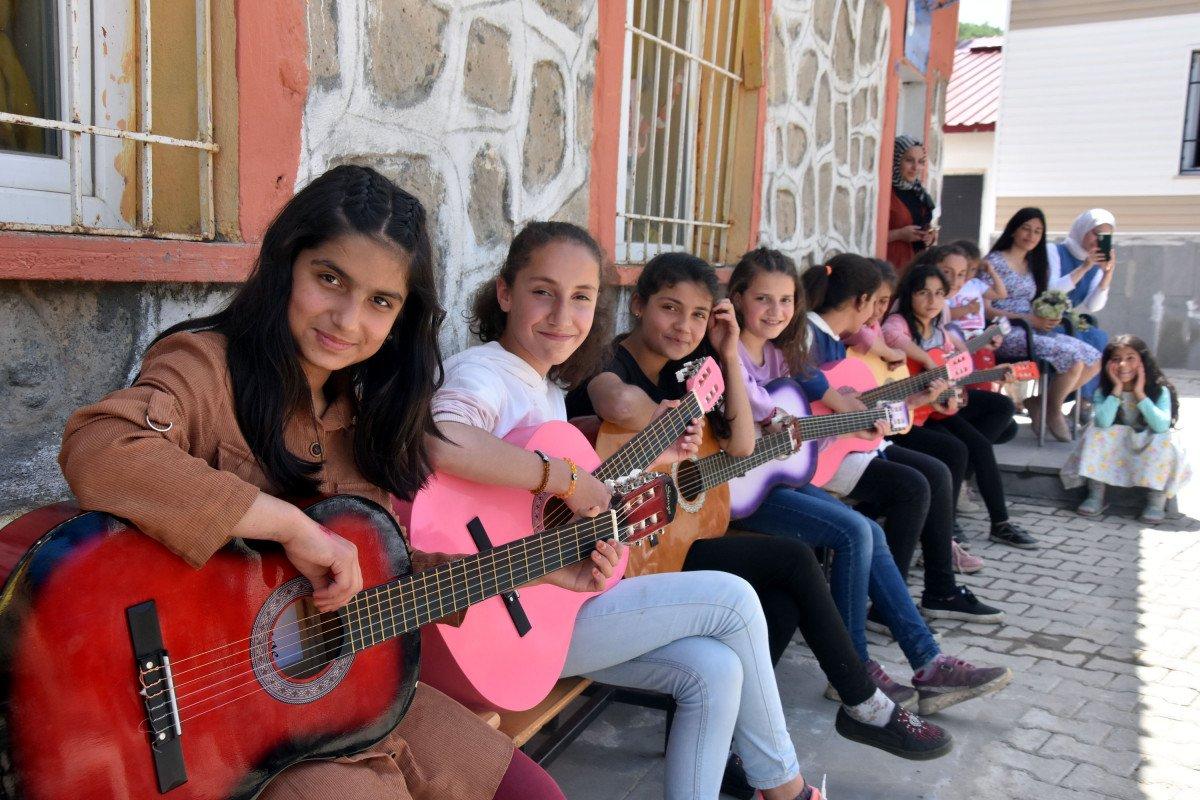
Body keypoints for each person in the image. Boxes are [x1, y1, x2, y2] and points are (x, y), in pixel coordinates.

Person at [57, 165, 567, 800]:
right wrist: (288, 525)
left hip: (348, 697)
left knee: (536, 794)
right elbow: (100, 446)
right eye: (330, 279)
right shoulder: (208, 368)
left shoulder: (369, 410)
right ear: (286, 265)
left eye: (381, 302)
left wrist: (541, 567)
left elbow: (380, 576)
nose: (349, 320)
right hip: (230, 730)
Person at [427, 222, 826, 800]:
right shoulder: (485, 372)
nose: (563, 314)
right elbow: (443, 440)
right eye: (543, 291)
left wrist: (651, 462)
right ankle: (785, 789)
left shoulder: (549, 390)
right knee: (735, 600)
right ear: (505, 293)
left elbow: (547, 503)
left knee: (717, 671)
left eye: (582, 297)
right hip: (502, 611)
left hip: (546, 605)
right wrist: (562, 477)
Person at [567, 250, 952, 763]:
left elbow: (743, 445)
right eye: (669, 308)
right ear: (637, 305)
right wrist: (665, 416)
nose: (684, 326)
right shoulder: (610, 359)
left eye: (699, 315)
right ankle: (863, 703)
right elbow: (614, 403)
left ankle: (722, 744)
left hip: (668, 541)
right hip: (611, 558)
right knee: (792, 562)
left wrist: (727, 354)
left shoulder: (694, 366)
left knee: (787, 594)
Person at [732, 249, 1012, 716]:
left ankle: (930, 664)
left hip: (781, 476)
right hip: (743, 490)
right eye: (763, 299)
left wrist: (854, 418)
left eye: (785, 300)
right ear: (737, 298)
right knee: (855, 530)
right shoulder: (727, 353)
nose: (776, 311)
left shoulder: (785, 351)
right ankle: (853, 671)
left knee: (873, 532)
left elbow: (819, 396)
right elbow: (758, 411)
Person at [883, 259, 1037, 551]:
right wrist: (929, 363)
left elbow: (958, 367)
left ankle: (1000, 523)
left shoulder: (940, 329)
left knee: (994, 419)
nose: (932, 301)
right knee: (961, 449)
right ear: (909, 294)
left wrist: (954, 393)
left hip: (934, 410)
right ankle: (948, 521)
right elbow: (892, 337)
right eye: (923, 293)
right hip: (910, 413)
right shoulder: (899, 322)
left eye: (939, 294)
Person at [984, 207, 1101, 442]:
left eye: (1038, 231)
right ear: (1014, 230)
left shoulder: (1034, 263)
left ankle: (1042, 402)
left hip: (1033, 328)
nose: (1031, 235)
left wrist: (1049, 315)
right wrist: (1029, 319)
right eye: (1026, 228)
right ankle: (1054, 411)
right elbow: (984, 308)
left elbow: (1045, 295)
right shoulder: (993, 262)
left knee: (1094, 359)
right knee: (1073, 359)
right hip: (1005, 331)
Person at [1062, 335, 1191, 524]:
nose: (1123, 364)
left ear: (1143, 361)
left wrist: (1139, 393)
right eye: (1116, 359)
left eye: (1130, 358)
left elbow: (1161, 425)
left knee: (1163, 438)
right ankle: (1096, 495)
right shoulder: (1104, 392)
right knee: (1095, 431)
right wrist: (1116, 389)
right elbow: (1104, 422)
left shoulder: (1159, 390)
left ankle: (1156, 502)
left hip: (1147, 444)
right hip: (1117, 444)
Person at [1048, 209, 1117, 401]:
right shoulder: (1054, 251)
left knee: (1098, 338)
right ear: (1083, 229)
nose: (1099, 240)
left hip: (1069, 320)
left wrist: (1107, 274)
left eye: (1105, 237)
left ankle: (1085, 401)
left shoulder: (1096, 265)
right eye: (1096, 233)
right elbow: (1052, 291)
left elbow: (1093, 306)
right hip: (1045, 319)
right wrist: (1084, 267)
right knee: (1077, 340)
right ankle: (1055, 400)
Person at [886, 136, 937, 272]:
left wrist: (930, 235)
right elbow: (870, 235)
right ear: (896, 159)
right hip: (891, 268)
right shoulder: (885, 193)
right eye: (909, 160)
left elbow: (925, 224)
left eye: (921, 162)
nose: (916, 167)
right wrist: (899, 234)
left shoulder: (919, 192)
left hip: (915, 266)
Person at [943, 240, 1007, 336]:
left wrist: (992, 272)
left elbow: (1001, 294)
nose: (968, 273)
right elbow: (945, 314)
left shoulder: (976, 284)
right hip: (957, 334)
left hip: (978, 333)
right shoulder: (950, 287)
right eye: (966, 268)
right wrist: (968, 309)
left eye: (973, 269)